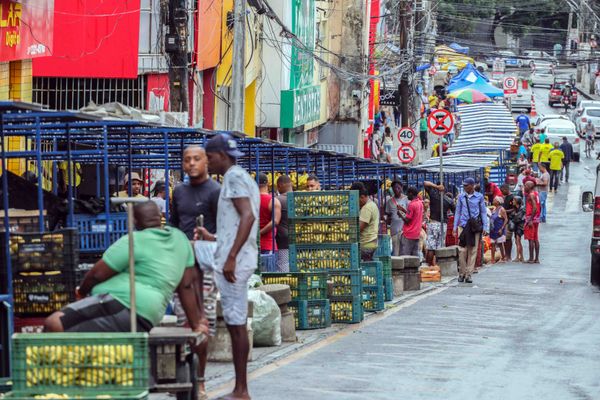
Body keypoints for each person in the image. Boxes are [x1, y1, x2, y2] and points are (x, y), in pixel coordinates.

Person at [44, 202, 205, 335]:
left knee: (54, 323)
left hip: (122, 302)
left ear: (134, 221)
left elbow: (96, 275)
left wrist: (82, 292)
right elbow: (186, 287)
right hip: (150, 314)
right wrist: (196, 324)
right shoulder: (180, 239)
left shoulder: (135, 240)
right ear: (161, 217)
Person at [198, 133, 259, 400]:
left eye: (209, 157)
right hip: (234, 256)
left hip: (235, 262)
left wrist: (232, 255)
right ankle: (240, 388)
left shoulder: (234, 177)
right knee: (235, 324)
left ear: (222, 156)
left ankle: (241, 390)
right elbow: (238, 221)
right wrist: (216, 238)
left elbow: (248, 216)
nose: (207, 162)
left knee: (236, 324)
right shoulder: (241, 177)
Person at [453, 178, 489, 283]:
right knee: (462, 251)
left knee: (472, 251)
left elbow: (483, 212)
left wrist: (485, 227)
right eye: (463, 185)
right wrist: (455, 227)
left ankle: (468, 274)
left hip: (474, 228)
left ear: (472, 186)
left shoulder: (479, 197)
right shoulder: (461, 197)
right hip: (463, 226)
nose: (464, 187)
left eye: (466, 185)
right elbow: (458, 212)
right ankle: (462, 273)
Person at [423, 181, 455, 266]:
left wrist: (436, 187)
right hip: (442, 225)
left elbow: (425, 183)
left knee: (431, 248)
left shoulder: (433, 195)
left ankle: (429, 267)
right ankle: (438, 266)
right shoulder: (449, 200)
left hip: (433, 223)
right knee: (440, 248)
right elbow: (455, 212)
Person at [352, 182, 379, 261]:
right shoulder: (372, 204)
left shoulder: (367, 208)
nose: (357, 203)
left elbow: (359, 228)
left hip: (367, 244)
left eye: (358, 200)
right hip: (371, 242)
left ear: (362, 197)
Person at [258, 173, 281, 255]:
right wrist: (260, 233)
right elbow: (275, 221)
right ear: (267, 184)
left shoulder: (248, 200)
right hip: (268, 244)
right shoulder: (273, 201)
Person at [385, 180, 409, 256]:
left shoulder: (407, 200)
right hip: (394, 231)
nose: (396, 190)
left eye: (398, 188)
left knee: (405, 252)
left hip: (405, 231)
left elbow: (410, 215)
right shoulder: (389, 202)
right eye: (394, 188)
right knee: (396, 252)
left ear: (402, 188)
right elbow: (388, 215)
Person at [399, 186, 424, 257]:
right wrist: (403, 210)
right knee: (415, 257)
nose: (407, 196)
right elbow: (414, 215)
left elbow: (407, 220)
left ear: (411, 193)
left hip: (409, 234)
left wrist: (400, 215)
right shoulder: (420, 203)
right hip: (416, 234)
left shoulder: (411, 205)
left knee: (406, 257)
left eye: (408, 194)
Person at [275, 175, 292, 272]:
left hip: (283, 241)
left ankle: (287, 285)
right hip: (299, 239)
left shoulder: (277, 200)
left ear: (280, 185)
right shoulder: (299, 199)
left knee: (283, 266)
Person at [524, 181, 541, 264]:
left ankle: (531, 258)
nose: (524, 187)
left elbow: (534, 208)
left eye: (525, 185)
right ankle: (536, 258)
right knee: (535, 238)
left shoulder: (531, 195)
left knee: (531, 239)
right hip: (536, 219)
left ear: (529, 187)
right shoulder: (536, 194)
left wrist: (530, 219)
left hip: (532, 219)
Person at [489, 196, 508, 264]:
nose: (493, 201)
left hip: (499, 229)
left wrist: (502, 228)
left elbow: (506, 219)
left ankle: (503, 257)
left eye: (494, 200)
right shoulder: (494, 209)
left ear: (498, 202)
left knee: (500, 244)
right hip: (493, 229)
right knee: (492, 244)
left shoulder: (502, 209)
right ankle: (492, 259)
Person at [500, 184, 514, 261]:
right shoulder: (505, 197)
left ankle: (508, 256)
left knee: (508, 239)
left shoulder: (511, 198)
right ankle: (506, 255)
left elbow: (514, 209)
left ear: (506, 189)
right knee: (505, 239)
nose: (501, 193)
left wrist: (504, 211)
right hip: (505, 220)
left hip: (509, 221)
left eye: (502, 191)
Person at [510, 196, 526, 262]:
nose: (512, 201)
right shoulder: (515, 208)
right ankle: (521, 256)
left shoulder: (521, 209)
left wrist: (513, 217)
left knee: (518, 241)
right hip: (516, 226)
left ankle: (518, 257)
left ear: (517, 202)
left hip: (520, 226)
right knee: (517, 242)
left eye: (514, 200)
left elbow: (517, 218)